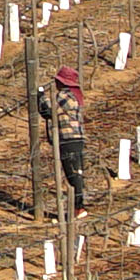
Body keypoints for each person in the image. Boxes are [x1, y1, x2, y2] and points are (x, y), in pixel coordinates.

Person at [35, 57, 88, 224]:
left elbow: (47, 111)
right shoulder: (74, 96)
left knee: (73, 174)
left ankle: (78, 208)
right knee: (75, 173)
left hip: (68, 138)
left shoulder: (65, 96)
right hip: (76, 138)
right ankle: (77, 207)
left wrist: (40, 95)